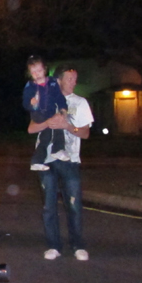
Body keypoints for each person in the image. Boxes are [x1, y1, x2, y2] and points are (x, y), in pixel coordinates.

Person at [28, 64, 94, 261]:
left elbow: (85, 133)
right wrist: (47, 123)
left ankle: (77, 245)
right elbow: (31, 128)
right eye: (70, 79)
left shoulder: (80, 103)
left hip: (70, 159)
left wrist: (68, 126)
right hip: (46, 161)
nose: (74, 82)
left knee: (73, 204)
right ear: (59, 80)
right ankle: (53, 245)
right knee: (49, 205)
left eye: (75, 79)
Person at [23, 56, 69, 171]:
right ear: (30, 73)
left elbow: (59, 97)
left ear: (44, 70)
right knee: (56, 124)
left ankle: (37, 161)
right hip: (38, 114)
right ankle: (57, 149)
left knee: (46, 137)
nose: (37, 74)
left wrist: (63, 108)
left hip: (50, 112)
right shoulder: (30, 86)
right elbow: (25, 102)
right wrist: (31, 103)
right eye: (33, 72)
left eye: (39, 71)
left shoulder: (52, 82)